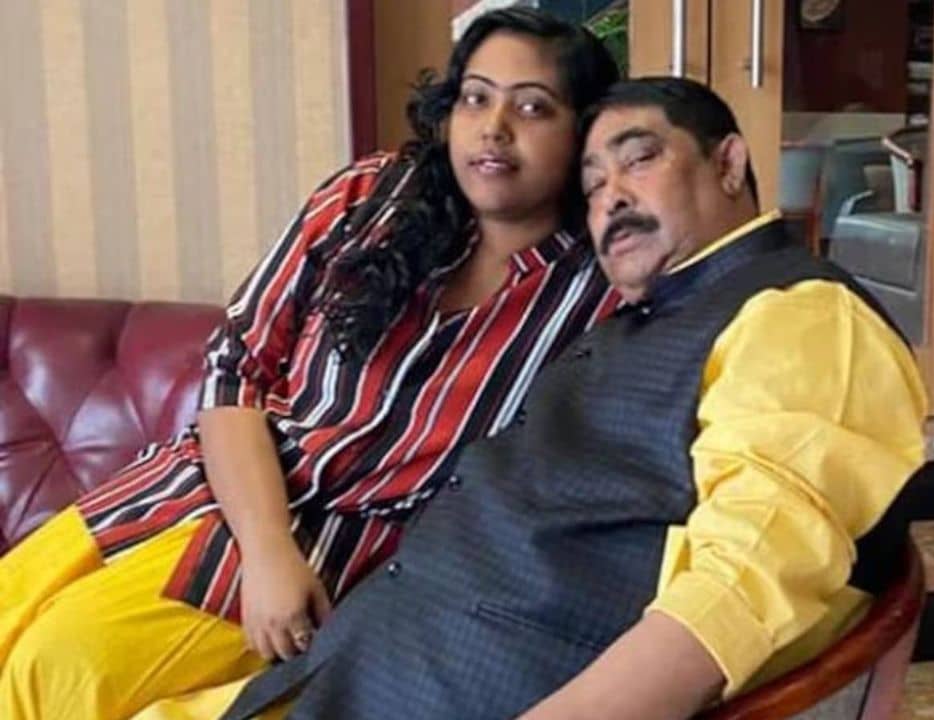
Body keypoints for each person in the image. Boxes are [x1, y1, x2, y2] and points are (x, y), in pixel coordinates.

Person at [223, 76, 928, 720]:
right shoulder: (639, 320)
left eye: (639, 159)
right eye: (592, 186)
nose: (610, 197)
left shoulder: (801, 314)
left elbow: (745, 582)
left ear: (729, 163)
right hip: (352, 672)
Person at [0, 9, 620, 719]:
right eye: (476, 98)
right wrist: (266, 547)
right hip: (177, 496)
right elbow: (235, 368)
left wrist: (273, 563)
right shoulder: (370, 198)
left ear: (583, 134)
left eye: (533, 107)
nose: (493, 127)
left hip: (315, 565)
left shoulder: (598, 290)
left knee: (54, 675)